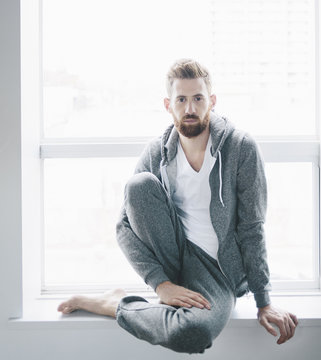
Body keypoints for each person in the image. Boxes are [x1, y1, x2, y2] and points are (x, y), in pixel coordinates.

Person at [58, 59, 298, 353]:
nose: (190, 109)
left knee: (192, 333)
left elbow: (252, 227)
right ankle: (132, 298)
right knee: (139, 185)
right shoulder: (157, 151)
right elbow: (123, 226)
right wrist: (161, 285)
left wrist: (264, 301)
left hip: (218, 272)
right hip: (172, 257)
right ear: (167, 105)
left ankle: (115, 304)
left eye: (198, 98)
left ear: (211, 101)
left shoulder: (240, 148)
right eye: (181, 100)